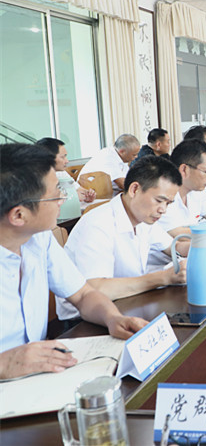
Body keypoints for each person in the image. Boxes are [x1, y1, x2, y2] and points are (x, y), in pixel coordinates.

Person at [0, 144, 147, 379]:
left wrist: (113, 318)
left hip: (40, 376)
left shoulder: (39, 239)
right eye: (56, 194)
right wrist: (4, 364)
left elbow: (82, 295)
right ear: (19, 215)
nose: (64, 199)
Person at [57, 156, 191, 321]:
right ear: (134, 189)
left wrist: (205, 246)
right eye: (159, 201)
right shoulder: (98, 223)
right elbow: (96, 289)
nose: (163, 210)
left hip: (126, 303)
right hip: (83, 320)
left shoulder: (143, 218)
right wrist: (163, 277)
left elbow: (174, 247)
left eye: (168, 203)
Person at [35, 137, 96, 203]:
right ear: (48, 158)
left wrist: (88, 195)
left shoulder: (60, 172)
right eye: (62, 157)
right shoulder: (35, 178)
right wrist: (73, 197)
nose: (67, 161)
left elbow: (79, 189)